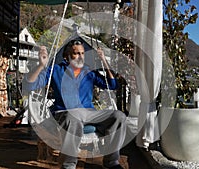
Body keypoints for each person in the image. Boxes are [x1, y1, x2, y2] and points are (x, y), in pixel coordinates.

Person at [23, 39, 127, 169]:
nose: (80, 57)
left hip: (89, 114)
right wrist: (41, 65)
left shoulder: (89, 72)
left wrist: (104, 61)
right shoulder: (56, 70)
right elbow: (29, 84)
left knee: (119, 117)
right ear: (66, 56)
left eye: (82, 53)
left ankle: (111, 162)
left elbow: (113, 85)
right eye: (76, 53)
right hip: (65, 113)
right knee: (74, 117)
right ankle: (68, 165)